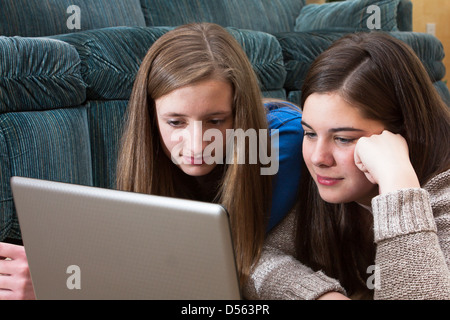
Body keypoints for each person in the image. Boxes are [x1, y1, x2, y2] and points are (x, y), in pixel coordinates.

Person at [0, 22, 303, 299]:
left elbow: (210, 262)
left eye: (215, 120)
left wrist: (64, 282)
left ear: (240, 113)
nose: (197, 145)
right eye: (175, 122)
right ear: (151, 117)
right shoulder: (152, 153)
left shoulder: (283, 140)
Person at [244, 32, 450, 300]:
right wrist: (319, 295)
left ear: (403, 134)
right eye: (310, 133)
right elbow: (254, 261)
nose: (319, 158)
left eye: (343, 138)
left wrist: (397, 184)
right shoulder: (328, 177)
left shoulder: (442, 193)